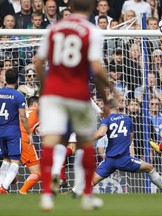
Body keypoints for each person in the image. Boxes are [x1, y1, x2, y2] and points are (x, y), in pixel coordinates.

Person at [34, 0, 116, 211]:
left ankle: (46, 197)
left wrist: (45, 88)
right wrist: (110, 94)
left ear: (69, 7)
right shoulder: (91, 31)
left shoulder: (54, 29)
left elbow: (38, 62)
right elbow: (96, 68)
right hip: (78, 94)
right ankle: (87, 197)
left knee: (52, 141)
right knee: (85, 143)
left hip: (53, 93)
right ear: (91, 8)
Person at [73, 100, 162, 194]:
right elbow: (130, 139)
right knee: (150, 168)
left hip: (109, 160)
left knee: (90, 182)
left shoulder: (106, 120)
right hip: (124, 160)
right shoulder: (127, 119)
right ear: (117, 107)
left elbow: (101, 133)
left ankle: (73, 192)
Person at [0, 69, 32, 194]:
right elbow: (23, 117)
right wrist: (29, 133)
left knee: (6, 159)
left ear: (5, 79)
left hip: (0, 131)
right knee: (15, 161)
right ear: (17, 80)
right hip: (12, 132)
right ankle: (4, 187)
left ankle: (1, 186)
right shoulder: (19, 96)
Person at [18, 96, 41, 194]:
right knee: (37, 171)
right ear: (36, 104)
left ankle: (3, 187)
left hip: (14, 137)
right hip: (25, 139)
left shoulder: (24, 111)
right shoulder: (39, 111)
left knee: (9, 165)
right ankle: (23, 190)